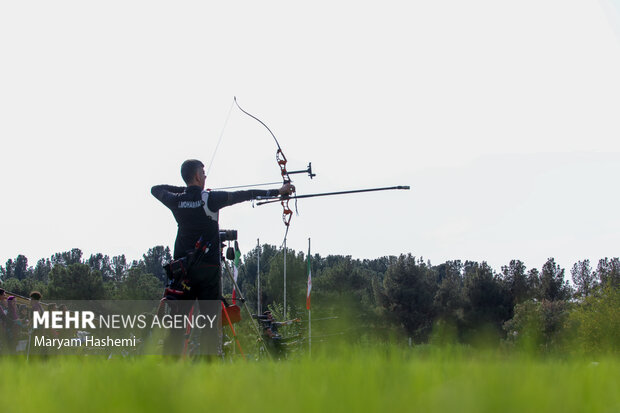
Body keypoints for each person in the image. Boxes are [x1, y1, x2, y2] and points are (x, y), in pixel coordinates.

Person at [151, 159, 294, 355]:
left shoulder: (175, 200)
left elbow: (155, 189)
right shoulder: (209, 199)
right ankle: (209, 371)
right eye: (203, 172)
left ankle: (171, 370)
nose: (205, 175)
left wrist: (187, 191)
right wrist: (278, 191)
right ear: (197, 176)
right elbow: (244, 195)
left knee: (177, 326)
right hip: (208, 272)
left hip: (183, 272)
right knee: (210, 325)